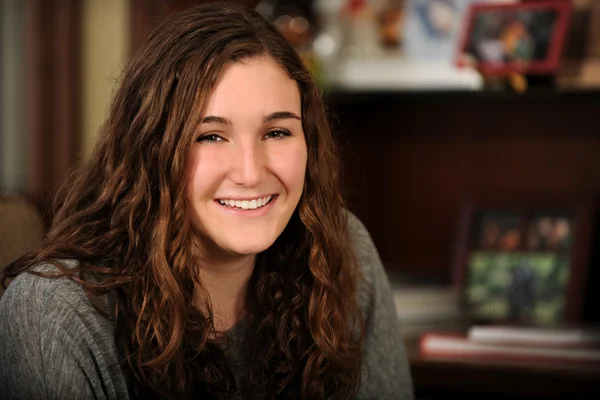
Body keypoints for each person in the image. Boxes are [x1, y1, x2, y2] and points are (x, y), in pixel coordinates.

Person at [0, 3, 413, 399]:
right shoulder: (54, 313)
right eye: (211, 136)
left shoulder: (342, 247)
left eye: (277, 132)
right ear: (151, 149)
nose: (251, 173)